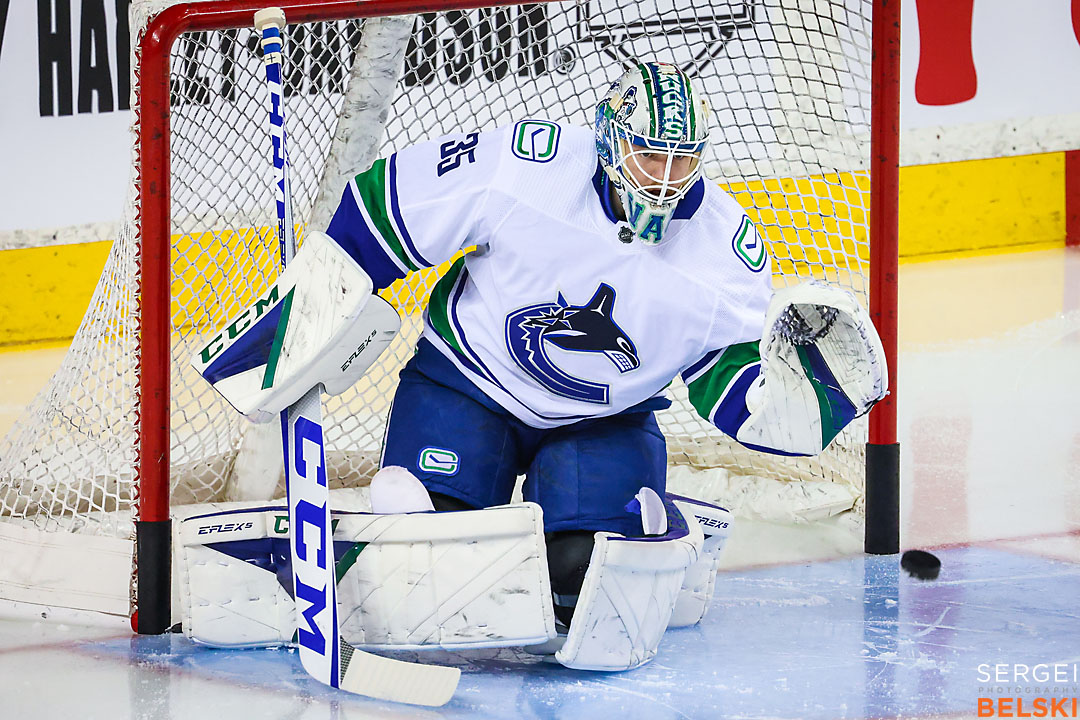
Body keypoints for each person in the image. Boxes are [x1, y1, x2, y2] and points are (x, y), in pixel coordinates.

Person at [322, 61, 882, 630]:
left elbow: (727, 380)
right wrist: (324, 293)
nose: (665, 180)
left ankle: (667, 542)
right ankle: (429, 526)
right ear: (612, 139)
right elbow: (385, 206)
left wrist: (789, 410)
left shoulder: (724, 252)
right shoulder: (525, 167)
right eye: (650, 155)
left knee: (583, 571)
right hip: (467, 385)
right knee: (425, 550)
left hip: (605, 419)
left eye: (681, 159)